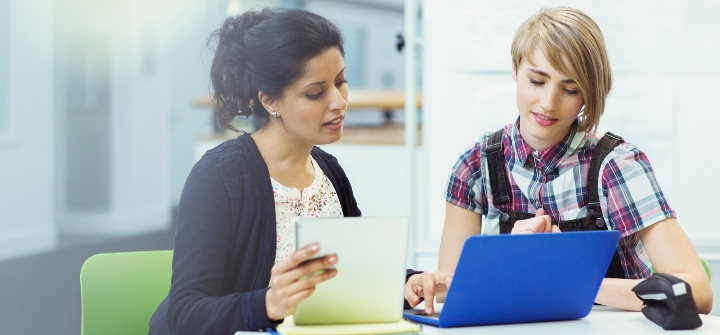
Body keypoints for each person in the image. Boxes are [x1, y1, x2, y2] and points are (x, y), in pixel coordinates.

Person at [404, 6, 713, 315]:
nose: (548, 103)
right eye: (537, 81)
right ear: (515, 68)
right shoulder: (474, 166)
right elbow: (452, 294)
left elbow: (697, 293)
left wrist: (565, 277)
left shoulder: (615, 166)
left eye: (569, 89)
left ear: (588, 94)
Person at [149, 7, 361, 334]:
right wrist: (269, 305)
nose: (339, 101)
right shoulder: (219, 176)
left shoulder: (329, 171)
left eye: (341, 82)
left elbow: (354, 272)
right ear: (270, 102)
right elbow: (185, 312)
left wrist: (407, 285)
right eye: (315, 93)